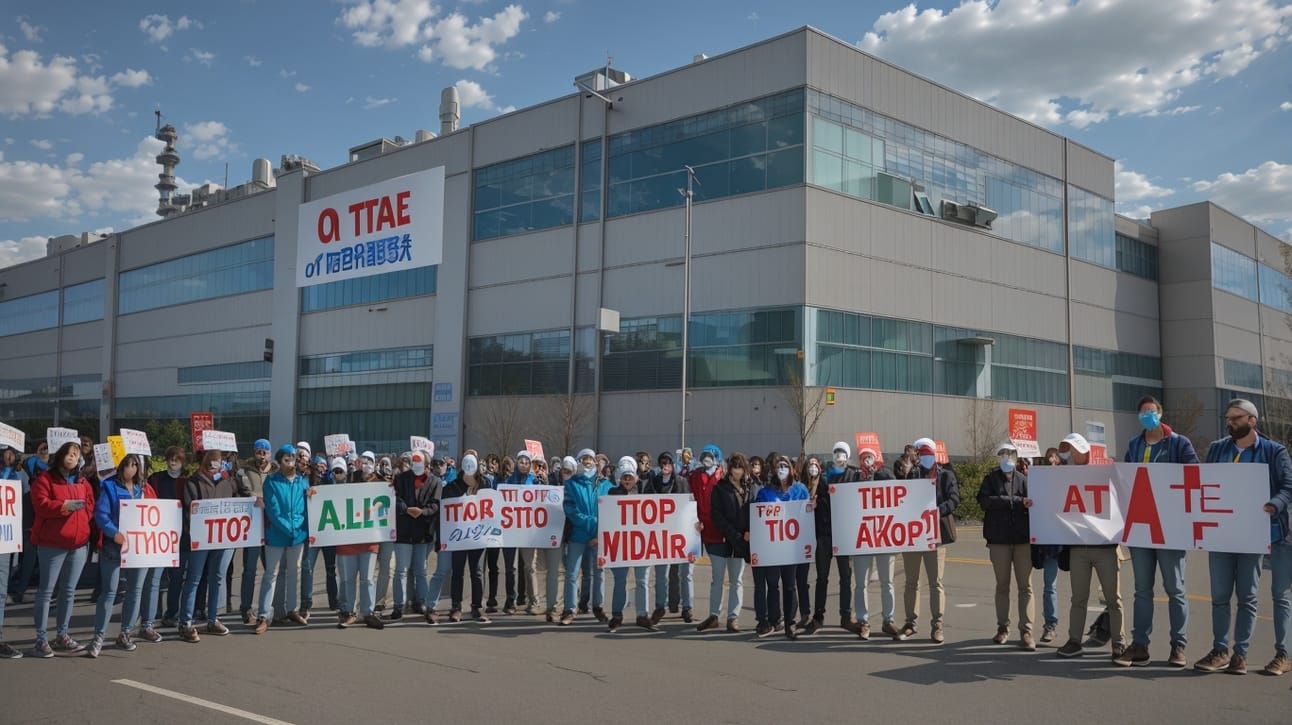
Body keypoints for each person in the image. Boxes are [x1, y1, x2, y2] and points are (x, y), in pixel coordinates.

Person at [1194, 399, 1292, 676]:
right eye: (1228, 418)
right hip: (1223, 532)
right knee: (1220, 596)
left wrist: (1274, 504)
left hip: (1257, 532)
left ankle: (1241, 654)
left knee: (1248, 596)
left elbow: (1288, 486)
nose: (1230, 422)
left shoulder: (1274, 452)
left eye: (1236, 418)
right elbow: (1204, 483)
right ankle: (1220, 650)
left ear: (1252, 420)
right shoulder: (1216, 449)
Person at [1116, 395, 1199, 668]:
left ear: (1160, 414)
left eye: (1151, 411)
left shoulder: (1179, 443)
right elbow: (1126, 478)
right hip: (1142, 526)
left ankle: (1179, 646)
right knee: (1142, 590)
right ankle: (1140, 645)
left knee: (1175, 589)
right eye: (1142, 412)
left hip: (1170, 528)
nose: (1147, 416)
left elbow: (1194, 476)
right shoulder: (1134, 444)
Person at [1054, 432, 1126, 660]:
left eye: (1071, 448)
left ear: (1082, 449)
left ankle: (1119, 643)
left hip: (1105, 546)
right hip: (1079, 547)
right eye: (1066, 449)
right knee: (1079, 597)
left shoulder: (1105, 470)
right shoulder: (1064, 476)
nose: (1069, 453)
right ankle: (1074, 641)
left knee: (1113, 598)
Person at [28, 441, 94, 657]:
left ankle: (62, 635)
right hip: (51, 544)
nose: (72, 457)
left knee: (68, 592)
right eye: (69, 453)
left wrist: (83, 521)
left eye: (76, 454)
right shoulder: (45, 479)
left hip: (78, 545)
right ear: (60, 455)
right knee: (46, 592)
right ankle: (40, 639)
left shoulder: (83, 481)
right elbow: (40, 505)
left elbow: (90, 504)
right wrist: (63, 507)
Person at [899, 437, 960, 644]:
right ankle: (910, 623)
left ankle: (937, 624)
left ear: (935, 455)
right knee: (911, 582)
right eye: (921, 454)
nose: (925, 458)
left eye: (928, 454)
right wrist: (906, 475)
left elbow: (954, 499)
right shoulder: (912, 474)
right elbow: (898, 497)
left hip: (935, 535)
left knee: (936, 582)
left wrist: (937, 511)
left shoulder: (946, 475)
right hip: (913, 535)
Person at [979, 443, 1035, 651]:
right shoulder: (990, 478)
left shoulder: (1024, 480)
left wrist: (1015, 502)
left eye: (1010, 455)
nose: (1006, 458)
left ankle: (1027, 630)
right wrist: (1016, 501)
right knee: (1002, 585)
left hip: (1022, 540)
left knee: (1025, 586)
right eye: (1003, 455)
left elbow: (1034, 503)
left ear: (1016, 457)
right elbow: (985, 501)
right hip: (999, 540)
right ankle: (1003, 627)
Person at [178, 450, 238, 642]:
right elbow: (190, 510)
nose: (215, 467)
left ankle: (213, 618)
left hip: (221, 539)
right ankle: (185, 623)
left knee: (217, 578)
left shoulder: (226, 481)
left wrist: (236, 477)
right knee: (194, 579)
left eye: (219, 463)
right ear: (204, 463)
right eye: (212, 463)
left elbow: (243, 494)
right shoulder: (193, 482)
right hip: (201, 539)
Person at [253, 445, 311, 635]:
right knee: (271, 574)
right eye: (287, 457)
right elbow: (273, 511)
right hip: (277, 535)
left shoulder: (303, 482)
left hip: (298, 535)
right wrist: (290, 529)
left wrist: (298, 527)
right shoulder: (271, 482)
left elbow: (306, 508)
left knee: (295, 572)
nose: (291, 460)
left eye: (293, 457)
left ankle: (291, 609)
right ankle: (263, 615)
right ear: (279, 461)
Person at [754, 455, 808, 640]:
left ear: (792, 469)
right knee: (772, 584)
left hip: (792, 546)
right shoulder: (765, 492)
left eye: (786, 465)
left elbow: (806, 513)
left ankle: (790, 622)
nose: (782, 468)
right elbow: (757, 516)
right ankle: (775, 619)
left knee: (790, 585)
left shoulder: (800, 490)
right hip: (771, 547)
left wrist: (811, 507)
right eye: (779, 466)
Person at [705, 452, 759, 633]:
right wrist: (735, 535)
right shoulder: (720, 488)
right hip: (722, 540)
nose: (738, 471)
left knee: (737, 580)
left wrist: (749, 532)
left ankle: (732, 618)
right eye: (735, 467)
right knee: (718, 579)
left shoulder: (752, 487)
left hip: (742, 542)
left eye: (741, 467)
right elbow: (716, 516)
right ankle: (714, 615)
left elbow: (756, 510)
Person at [852, 447, 900, 641]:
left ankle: (888, 620)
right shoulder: (854, 478)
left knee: (887, 582)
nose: (867, 461)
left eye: (870, 457)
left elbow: (897, 492)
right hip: (862, 537)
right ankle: (863, 621)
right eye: (863, 458)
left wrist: (877, 474)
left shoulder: (885, 473)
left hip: (883, 536)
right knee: (861, 583)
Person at [559, 449, 610, 625]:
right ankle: (569, 610)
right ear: (579, 462)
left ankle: (598, 607)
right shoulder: (571, 484)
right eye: (584, 459)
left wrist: (598, 529)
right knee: (572, 574)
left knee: (599, 572)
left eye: (590, 459)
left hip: (598, 537)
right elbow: (570, 509)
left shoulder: (605, 485)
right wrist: (592, 523)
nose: (588, 462)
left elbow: (612, 510)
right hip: (578, 535)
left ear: (596, 462)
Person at [390, 448, 441, 623]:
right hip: (404, 532)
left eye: (424, 465)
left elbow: (435, 505)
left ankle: (422, 603)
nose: (421, 468)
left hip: (422, 533)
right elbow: (395, 498)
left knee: (420, 571)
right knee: (401, 571)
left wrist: (422, 512)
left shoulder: (435, 482)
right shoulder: (402, 478)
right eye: (417, 464)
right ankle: (398, 605)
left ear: (428, 465)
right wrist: (407, 509)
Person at [814, 441, 860, 634]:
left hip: (844, 534)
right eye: (836, 452)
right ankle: (818, 616)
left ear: (848, 456)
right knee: (822, 577)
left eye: (842, 452)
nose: (839, 455)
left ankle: (845, 616)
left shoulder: (854, 475)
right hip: (825, 533)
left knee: (845, 577)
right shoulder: (823, 477)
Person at [642, 451, 694, 623]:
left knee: (685, 573)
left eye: (668, 462)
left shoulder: (681, 481)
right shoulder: (653, 482)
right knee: (661, 574)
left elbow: (689, 505)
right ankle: (659, 607)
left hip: (680, 533)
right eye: (662, 462)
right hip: (660, 535)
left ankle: (687, 607)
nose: (665, 465)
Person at [605, 459, 653, 633]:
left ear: (635, 478)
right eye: (624, 477)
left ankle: (642, 615)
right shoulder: (612, 494)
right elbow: (607, 518)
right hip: (620, 544)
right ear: (619, 478)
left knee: (642, 580)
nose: (627, 480)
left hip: (641, 543)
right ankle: (617, 615)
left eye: (630, 477)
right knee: (620, 580)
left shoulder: (643, 492)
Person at [445, 453, 494, 623]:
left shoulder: (485, 484)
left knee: (477, 572)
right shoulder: (452, 486)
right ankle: (456, 607)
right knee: (457, 572)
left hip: (478, 535)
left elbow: (492, 506)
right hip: (458, 536)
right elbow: (446, 508)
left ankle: (477, 606)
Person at [148, 446, 187, 626]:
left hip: (180, 534)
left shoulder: (188, 481)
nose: (173, 462)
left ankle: (171, 612)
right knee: (155, 576)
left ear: (183, 461)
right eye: (170, 458)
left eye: (177, 459)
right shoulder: (156, 479)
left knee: (177, 576)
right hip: (158, 533)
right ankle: (152, 612)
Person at [236, 439, 273, 624]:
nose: (262, 455)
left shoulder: (276, 471)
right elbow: (242, 491)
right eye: (259, 452)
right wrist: (253, 497)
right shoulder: (244, 470)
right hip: (251, 528)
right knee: (249, 571)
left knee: (270, 571)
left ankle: (268, 608)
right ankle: (245, 609)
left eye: (265, 452)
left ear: (270, 454)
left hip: (272, 529)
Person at [503, 450, 540, 615]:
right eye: (521, 461)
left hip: (528, 531)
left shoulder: (536, 482)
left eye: (527, 462)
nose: (524, 464)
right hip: (510, 531)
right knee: (510, 567)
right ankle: (510, 600)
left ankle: (533, 601)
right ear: (516, 463)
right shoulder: (508, 482)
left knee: (529, 567)